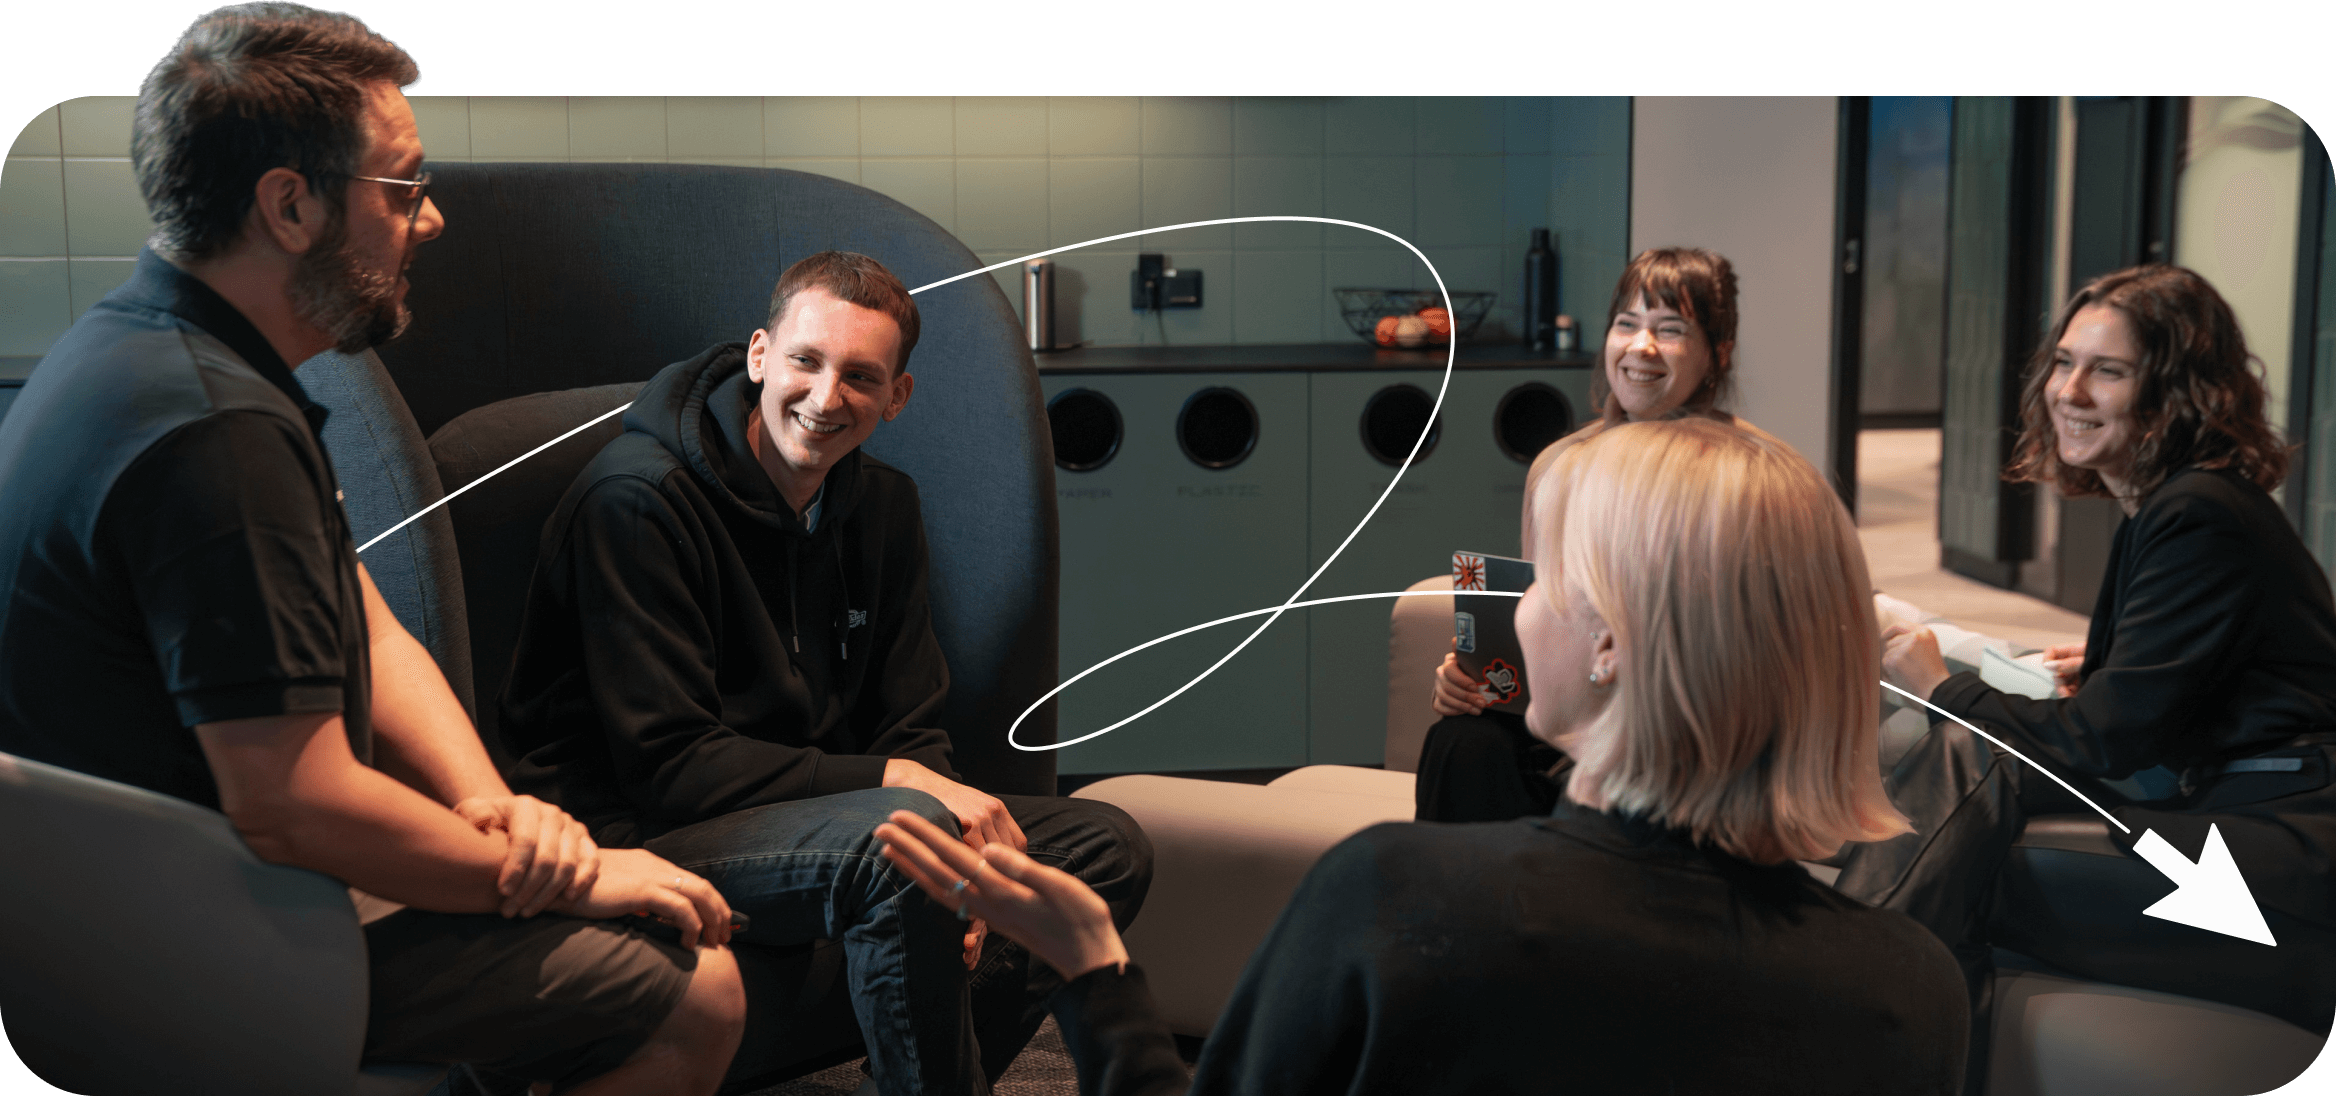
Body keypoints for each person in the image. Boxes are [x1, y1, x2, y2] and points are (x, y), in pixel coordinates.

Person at [0, 6, 745, 1094]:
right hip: (199, 940)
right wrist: (554, 879)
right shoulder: (219, 437)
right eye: (403, 189)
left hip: (140, 897)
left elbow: (357, 608)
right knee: (695, 986)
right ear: (290, 205)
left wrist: (491, 805)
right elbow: (293, 801)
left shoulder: (140, 348)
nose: (430, 220)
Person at [879, 417, 1971, 1096]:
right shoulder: (1912, 986)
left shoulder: (1393, 892)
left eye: (1538, 577)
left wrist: (1094, 970)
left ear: (1609, 643)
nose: (1507, 606)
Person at [499, 250, 1152, 1095]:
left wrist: (951, 855)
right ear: (760, 355)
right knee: (901, 847)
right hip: (636, 829)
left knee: (1101, 847)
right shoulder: (638, 502)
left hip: (808, 818)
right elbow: (671, 765)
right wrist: (903, 794)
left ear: (895, 399)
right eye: (806, 361)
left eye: (860, 376)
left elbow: (908, 721)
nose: (824, 396)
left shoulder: (881, 506)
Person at [1837, 264, 2336, 1059]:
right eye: (2064, 363)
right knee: (1951, 816)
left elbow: (2103, 744)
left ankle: (1829, 1005)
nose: (2069, 390)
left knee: (1954, 851)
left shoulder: (2196, 512)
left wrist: (1946, 688)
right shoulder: (2182, 501)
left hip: (2280, 872)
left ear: (2176, 391)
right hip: (2241, 823)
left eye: (2108, 371)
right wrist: (2121, 665)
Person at [1417, 246, 1765, 823]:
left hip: (1682, 726)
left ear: (1718, 354)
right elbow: (1540, 615)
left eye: (1670, 330)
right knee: (1463, 742)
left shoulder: (1749, 475)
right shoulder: (1559, 465)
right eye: (1626, 324)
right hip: (1564, 719)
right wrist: (1476, 677)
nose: (1640, 347)